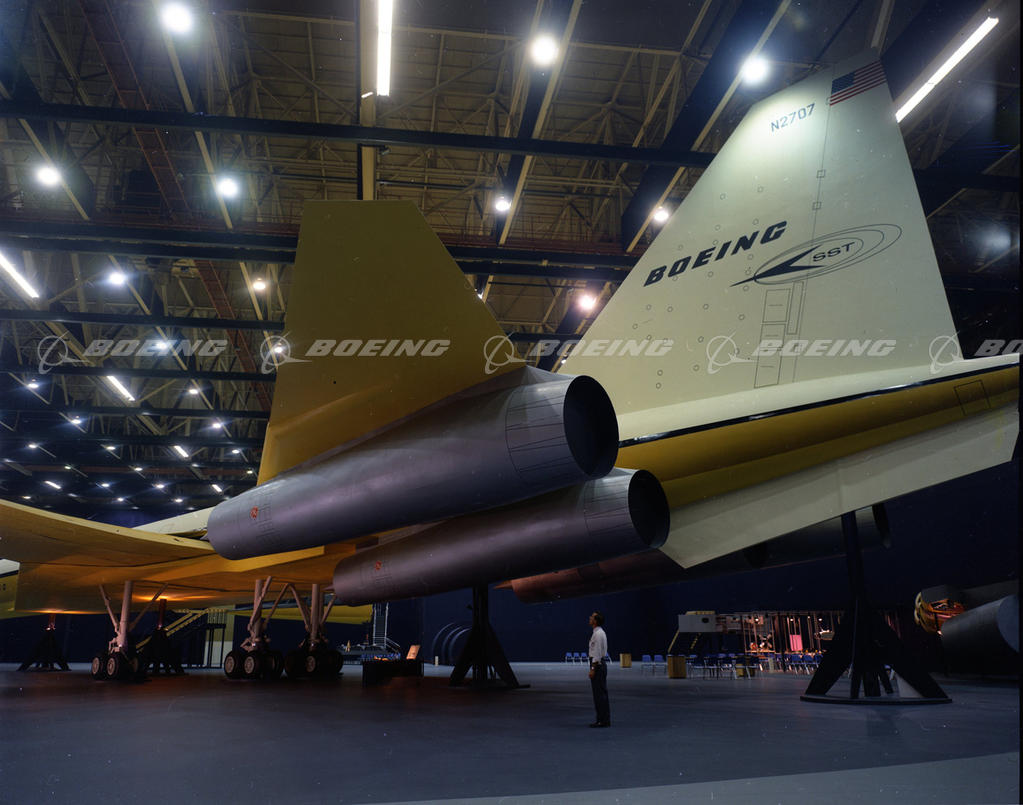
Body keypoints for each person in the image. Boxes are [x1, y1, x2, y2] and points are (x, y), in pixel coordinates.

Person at [587, 611, 610, 727]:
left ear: (595, 621)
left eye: (592, 617)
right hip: (598, 664)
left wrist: (592, 668)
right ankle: (602, 719)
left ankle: (602, 720)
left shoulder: (598, 634)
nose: (590, 618)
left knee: (599, 694)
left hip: (597, 665)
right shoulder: (598, 632)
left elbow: (596, 653)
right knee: (600, 693)